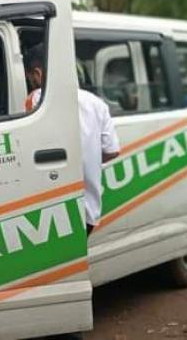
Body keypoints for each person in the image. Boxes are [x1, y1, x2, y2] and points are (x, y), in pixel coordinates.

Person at [23, 44, 121, 234]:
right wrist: (86, 161)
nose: (31, 82)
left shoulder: (35, 99)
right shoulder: (97, 103)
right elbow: (112, 151)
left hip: (55, 206)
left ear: (38, 73)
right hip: (90, 209)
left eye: (30, 78)